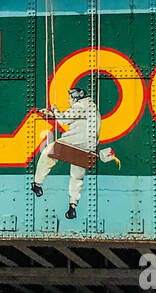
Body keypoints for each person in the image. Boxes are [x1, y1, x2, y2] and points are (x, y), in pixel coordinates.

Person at [32, 84, 109, 219]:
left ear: (76, 98)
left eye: (69, 98)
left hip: (71, 145)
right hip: (88, 150)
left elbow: (65, 119)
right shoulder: (93, 109)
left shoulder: (80, 106)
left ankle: (37, 183)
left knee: (48, 153)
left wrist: (54, 110)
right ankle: (72, 206)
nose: (68, 101)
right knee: (77, 177)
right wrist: (53, 114)